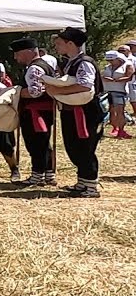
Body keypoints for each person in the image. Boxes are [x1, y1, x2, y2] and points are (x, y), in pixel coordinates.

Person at [44, 27, 104, 198]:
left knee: (84, 146)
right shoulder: (70, 62)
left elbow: (85, 86)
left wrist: (56, 91)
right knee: (73, 146)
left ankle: (91, 186)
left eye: (59, 43)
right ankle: (83, 182)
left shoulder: (84, 62)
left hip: (84, 112)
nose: (56, 47)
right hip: (73, 110)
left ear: (70, 43)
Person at [12, 38, 57, 187]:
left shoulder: (35, 68)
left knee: (36, 143)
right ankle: (48, 175)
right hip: (42, 111)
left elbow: (35, 92)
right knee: (42, 143)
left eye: (17, 54)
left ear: (28, 52)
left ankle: (38, 176)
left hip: (35, 112)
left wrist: (15, 92)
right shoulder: (43, 65)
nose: (15, 57)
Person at [102, 50, 133, 138]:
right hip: (107, 91)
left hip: (119, 91)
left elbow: (129, 77)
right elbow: (101, 76)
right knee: (111, 111)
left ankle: (121, 130)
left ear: (118, 59)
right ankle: (114, 128)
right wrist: (105, 78)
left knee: (120, 111)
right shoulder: (107, 67)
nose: (110, 62)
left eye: (112, 60)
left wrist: (117, 80)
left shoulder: (127, 65)